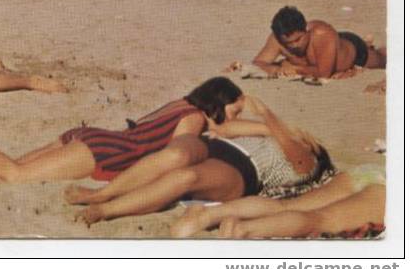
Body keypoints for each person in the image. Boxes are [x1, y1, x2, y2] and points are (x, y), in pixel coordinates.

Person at [0, 77, 243, 183]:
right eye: (233, 109)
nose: (231, 116)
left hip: (96, 137)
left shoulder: (179, 103)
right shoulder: (195, 118)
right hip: (106, 151)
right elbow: (177, 152)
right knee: (16, 175)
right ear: (219, 101)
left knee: (9, 165)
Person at [68, 95, 333, 226]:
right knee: (176, 154)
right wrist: (270, 128)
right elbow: (225, 129)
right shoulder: (273, 133)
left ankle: (107, 210)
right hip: (216, 145)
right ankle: (102, 194)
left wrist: (271, 120)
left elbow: (295, 156)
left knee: (187, 177)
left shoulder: (306, 162)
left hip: (241, 169)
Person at [171, 163, 384, 238]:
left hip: (376, 172)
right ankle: (244, 230)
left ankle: (208, 214)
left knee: (286, 205)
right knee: (320, 220)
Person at [251, 6, 386, 79]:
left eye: (298, 39)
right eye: (288, 43)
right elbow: (258, 63)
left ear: (306, 30)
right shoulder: (277, 39)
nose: (294, 45)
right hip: (331, 45)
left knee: (385, 60)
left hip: (354, 52)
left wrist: (295, 69)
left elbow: (323, 73)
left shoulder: (320, 33)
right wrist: (278, 69)